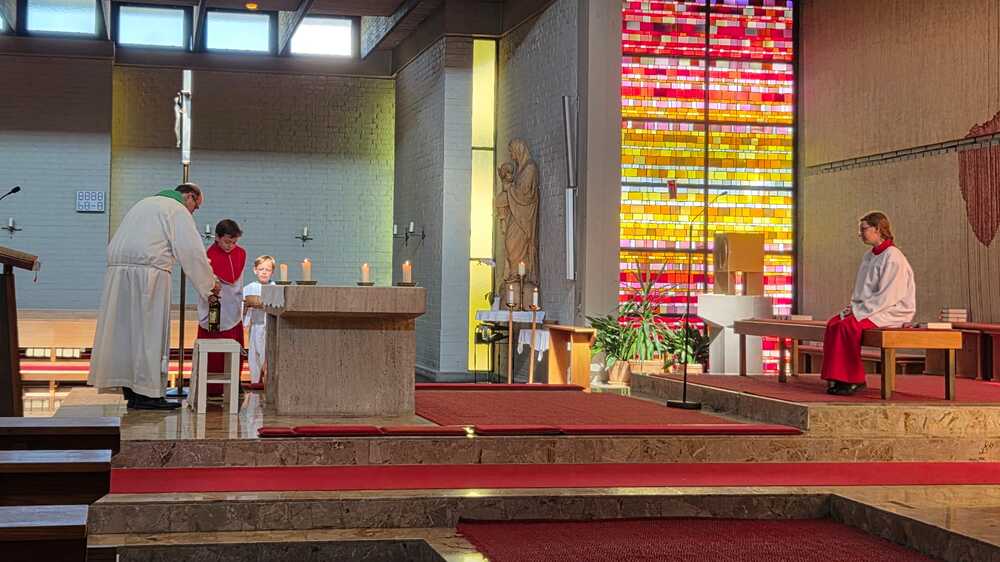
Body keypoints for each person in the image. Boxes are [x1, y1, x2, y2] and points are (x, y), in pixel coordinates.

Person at [89, 183, 219, 410]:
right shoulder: (177, 210)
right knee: (149, 335)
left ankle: (132, 392)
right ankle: (148, 394)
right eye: (196, 207)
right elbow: (191, 252)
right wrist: (210, 285)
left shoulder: (142, 204)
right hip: (149, 276)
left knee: (126, 336)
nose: (193, 212)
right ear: (190, 196)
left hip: (118, 275)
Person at [822, 212, 915, 395]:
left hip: (891, 310)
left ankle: (853, 379)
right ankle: (836, 378)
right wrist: (853, 307)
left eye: (864, 229)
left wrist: (859, 311)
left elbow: (889, 295)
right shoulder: (869, 256)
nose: (860, 234)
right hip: (871, 308)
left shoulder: (893, 257)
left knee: (847, 327)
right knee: (833, 324)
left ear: (878, 229)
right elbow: (862, 290)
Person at [197, 220, 247, 396]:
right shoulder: (208, 256)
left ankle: (234, 383)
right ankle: (211, 389)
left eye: (234, 242)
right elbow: (202, 283)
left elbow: (236, 282)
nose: (230, 246)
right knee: (214, 350)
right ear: (217, 237)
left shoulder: (240, 253)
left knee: (235, 350)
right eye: (227, 241)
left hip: (233, 308)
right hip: (215, 308)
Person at [242, 255, 275, 385]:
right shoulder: (249, 287)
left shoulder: (275, 287)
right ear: (255, 270)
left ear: (272, 271)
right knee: (254, 355)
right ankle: (255, 381)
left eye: (268, 269)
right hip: (255, 326)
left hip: (269, 328)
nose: (264, 272)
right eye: (261, 269)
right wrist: (246, 306)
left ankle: (268, 382)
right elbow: (242, 305)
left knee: (267, 355)